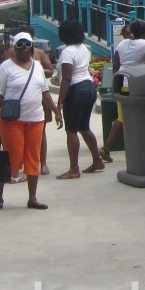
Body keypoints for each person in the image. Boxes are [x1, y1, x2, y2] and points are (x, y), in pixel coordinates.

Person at [0, 32, 62, 210]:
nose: (23, 48)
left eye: (26, 44)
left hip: (35, 119)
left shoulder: (37, 66)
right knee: (13, 159)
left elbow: (45, 92)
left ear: (31, 47)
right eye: (19, 44)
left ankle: (32, 198)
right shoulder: (5, 67)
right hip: (12, 120)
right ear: (13, 47)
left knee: (33, 158)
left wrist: (56, 111)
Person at [99, 20, 145, 161]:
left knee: (124, 117)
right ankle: (108, 147)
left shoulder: (122, 44)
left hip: (122, 82)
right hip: (137, 84)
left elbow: (116, 65)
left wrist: (116, 84)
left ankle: (107, 148)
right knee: (131, 117)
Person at [55, 19, 104, 178]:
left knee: (71, 131)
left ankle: (74, 168)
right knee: (84, 127)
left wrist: (60, 102)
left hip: (75, 89)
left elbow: (67, 78)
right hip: (89, 87)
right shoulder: (83, 48)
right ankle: (97, 160)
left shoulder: (67, 52)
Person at [19, 25, 56, 176]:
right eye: (21, 41)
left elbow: (50, 70)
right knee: (18, 133)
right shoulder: (10, 55)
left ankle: (43, 163)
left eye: (28, 41)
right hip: (18, 100)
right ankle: (20, 163)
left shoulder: (39, 53)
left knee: (41, 132)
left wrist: (38, 69)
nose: (25, 45)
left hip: (38, 97)